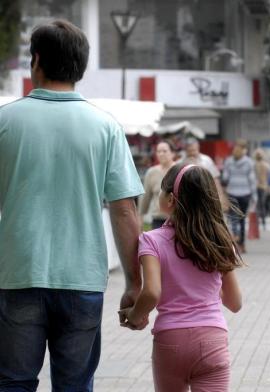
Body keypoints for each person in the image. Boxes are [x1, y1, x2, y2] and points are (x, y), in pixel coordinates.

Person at [0, 20, 144, 391]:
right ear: (79, 67)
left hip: (16, 276)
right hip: (82, 279)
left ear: (36, 61)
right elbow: (124, 210)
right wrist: (134, 282)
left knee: (13, 382)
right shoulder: (105, 127)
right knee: (75, 385)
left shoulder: (5, 122)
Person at [119, 163, 244, 392]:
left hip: (170, 341)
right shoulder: (221, 240)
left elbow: (151, 292)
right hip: (212, 340)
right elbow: (235, 303)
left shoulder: (151, 240)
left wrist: (135, 316)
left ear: (170, 200)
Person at [222, 139, 257, 253]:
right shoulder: (249, 162)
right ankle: (242, 243)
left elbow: (226, 178)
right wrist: (254, 195)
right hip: (245, 193)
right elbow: (252, 180)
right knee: (242, 219)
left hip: (232, 192)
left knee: (233, 218)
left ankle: (235, 235)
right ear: (244, 150)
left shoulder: (228, 161)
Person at [182, 137, 229, 211]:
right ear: (186, 150)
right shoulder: (180, 162)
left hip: (205, 199)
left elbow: (215, 180)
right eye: (190, 151)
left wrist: (220, 196)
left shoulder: (207, 160)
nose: (192, 153)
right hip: (186, 201)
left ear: (198, 148)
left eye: (194, 150)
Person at [139, 140, 176, 229]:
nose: (161, 154)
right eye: (158, 151)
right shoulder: (151, 172)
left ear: (173, 153)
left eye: (164, 151)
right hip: (158, 220)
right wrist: (140, 219)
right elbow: (145, 198)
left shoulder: (180, 170)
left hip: (178, 219)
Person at [253, 148, 270, 229]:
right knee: (262, 205)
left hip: (255, 186)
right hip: (263, 187)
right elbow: (269, 176)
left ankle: (255, 222)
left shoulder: (253, 165)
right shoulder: (266, 165)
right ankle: (264, 223)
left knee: (256, 205)